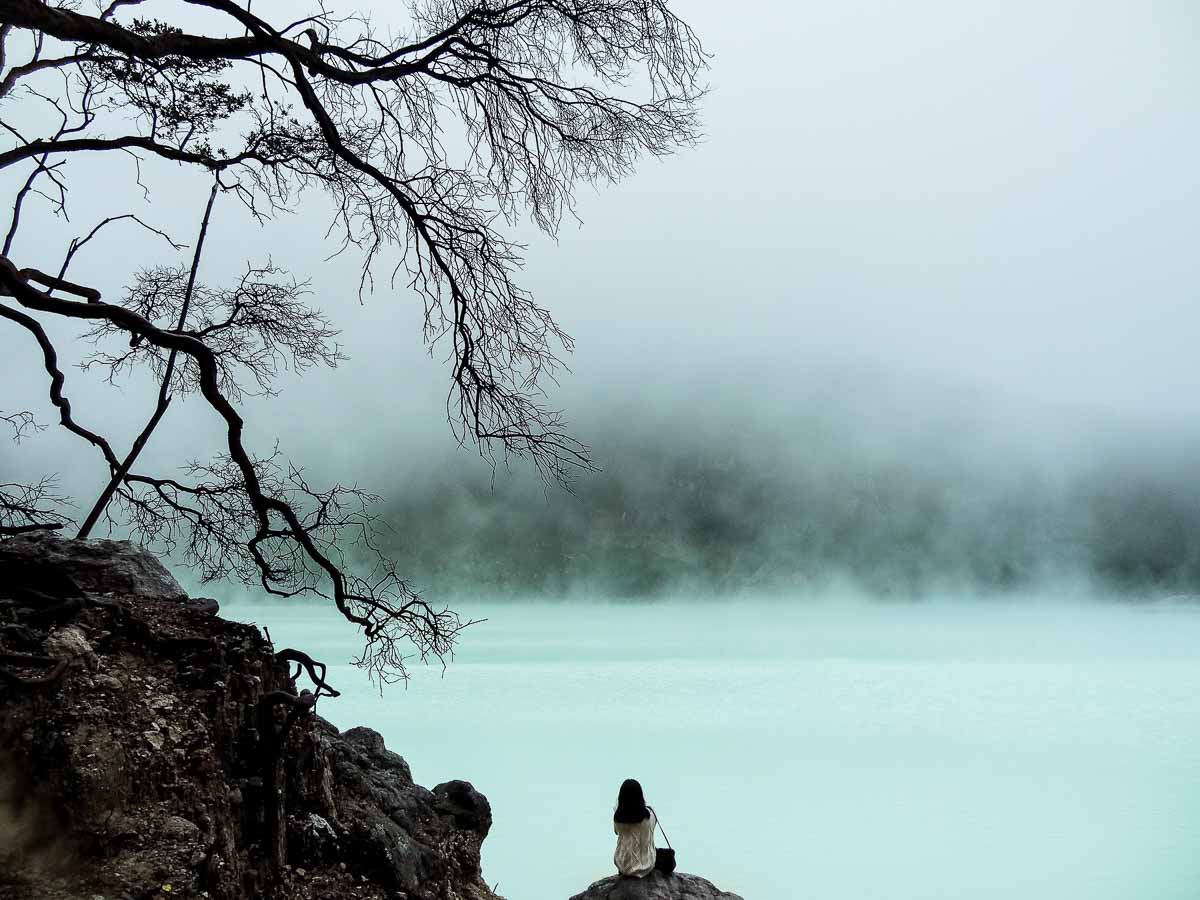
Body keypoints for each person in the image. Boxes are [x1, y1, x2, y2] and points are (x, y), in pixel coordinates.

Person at [613, 778, 657, 877]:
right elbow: (652, 830)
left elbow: (616, 832)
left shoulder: (618, 818)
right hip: (647, 866)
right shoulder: (651, 814)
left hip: (623, 866)